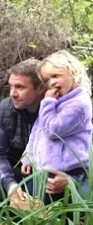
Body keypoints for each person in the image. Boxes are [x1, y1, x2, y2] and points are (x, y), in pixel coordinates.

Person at [0, 58, 69, 213]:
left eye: (20, 87)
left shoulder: (63, 111)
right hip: (13, 168)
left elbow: (80, 153)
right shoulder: (5, 108)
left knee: (33, 199)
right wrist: (9, 183)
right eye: (11, 86)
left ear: (40, 88)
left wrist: (69, 178)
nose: (12, 94)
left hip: (46, 172)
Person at [20, 50, 92, 201]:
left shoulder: (79, 104)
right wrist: (28, 156)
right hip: (48, 168)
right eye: (47, 80)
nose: (51, 83)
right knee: (42, 203)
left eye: (55, 76)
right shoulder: (57, 101)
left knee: (61, 210)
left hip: (71, 170)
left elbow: (54, 130)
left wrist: (47, 103)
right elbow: (38, 130)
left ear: (72, 73)